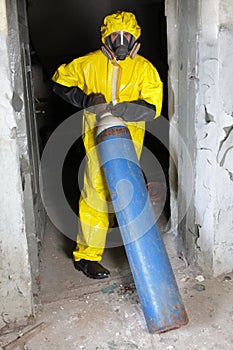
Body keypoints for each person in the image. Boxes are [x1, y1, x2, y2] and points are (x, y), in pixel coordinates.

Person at [51, 10, 163, 279]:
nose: (121, 41)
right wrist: (87, 100)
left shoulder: (144, 69)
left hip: (129, 144)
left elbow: (152, 107)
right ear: (106, 37)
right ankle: (87, 256)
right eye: (115, 35)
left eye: (128, 36)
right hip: (96, 142)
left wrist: (121, 109)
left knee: (125, 193)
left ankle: (135, 254)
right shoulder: (89, 64)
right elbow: (59, 81)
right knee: (95, 195)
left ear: (136, 38)